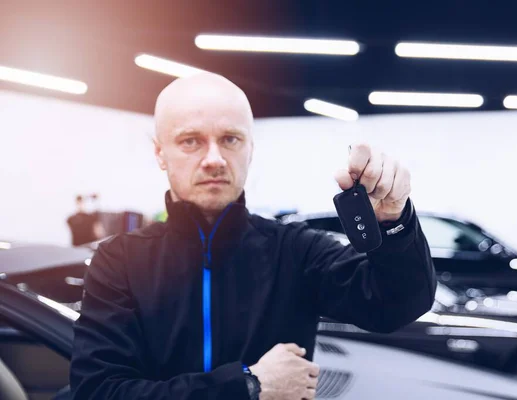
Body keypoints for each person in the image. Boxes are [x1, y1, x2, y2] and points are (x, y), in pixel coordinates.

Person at [69, 72, 436, 400]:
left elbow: (396, 304)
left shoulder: (296, 251)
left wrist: (394, 222)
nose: (214, 158)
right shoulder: (119, 261)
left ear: (250, 149)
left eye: (230, 139)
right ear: (160, 153)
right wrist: (248, 386)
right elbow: (99, 391)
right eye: (191, 141)